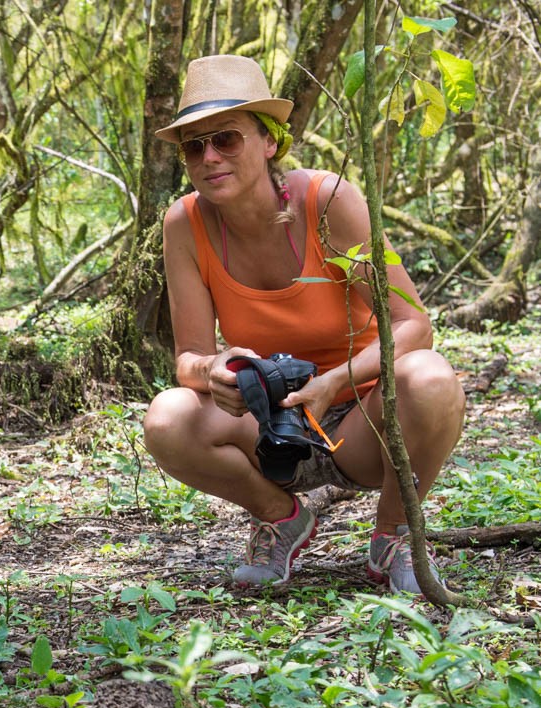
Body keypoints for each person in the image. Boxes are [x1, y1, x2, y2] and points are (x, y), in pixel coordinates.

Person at [142, 55, 465, 593]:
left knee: (430, 379)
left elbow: (413, 325)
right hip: (272, 428)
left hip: (366, 420)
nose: (209, 156)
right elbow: (188, 359)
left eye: (226, 138)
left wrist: (332, 383)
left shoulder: (327, 201)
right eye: (193, 146)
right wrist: (215, 369)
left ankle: (393, 536)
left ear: (269, 141)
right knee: (167, 418)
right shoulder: (185, 222)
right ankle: (281, 517)